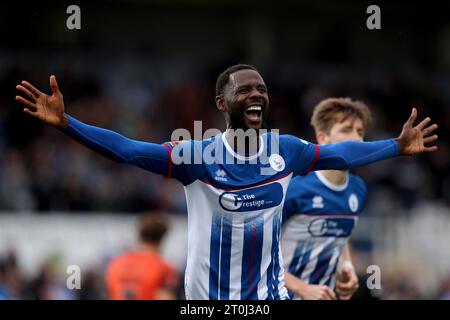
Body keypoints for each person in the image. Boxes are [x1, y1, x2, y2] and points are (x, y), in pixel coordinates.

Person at [15, 64, 438, 300]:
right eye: (245, 90)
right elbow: (128, 149)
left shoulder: (286, 151)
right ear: (222, 103)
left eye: (262, 89)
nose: (256, 94)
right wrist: (68, 125)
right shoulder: (196, 157)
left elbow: (338, 154)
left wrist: (395, 147)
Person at [281, 97, 371, 300]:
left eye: (360, 132)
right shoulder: (294, 188)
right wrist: (302, 288)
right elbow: (255, 253)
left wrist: (345, 265)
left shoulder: (358, 189)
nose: (357, 139)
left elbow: (340, 235)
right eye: (347, 130)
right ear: (323, 138)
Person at [106, 213, 179, 300]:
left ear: (139, 236)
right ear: (161, 239)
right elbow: (165, 297)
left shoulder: (115, 264)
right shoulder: (163, 268)